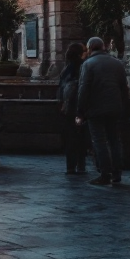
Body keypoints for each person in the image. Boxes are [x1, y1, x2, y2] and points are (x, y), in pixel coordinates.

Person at [77, 36, 130, 186]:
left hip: (96, 109)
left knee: (99, 141)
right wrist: (124, 107)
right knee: (114, 140)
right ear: (103, 47)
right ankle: (117, 173)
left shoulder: (88, 64)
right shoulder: (117, 64)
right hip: (115, 108)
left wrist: (80, 111)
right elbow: (123, 88)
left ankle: (105, 174)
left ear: (89, 48)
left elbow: (84, 89)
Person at [58, 42, 88, 175]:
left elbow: (60, 87)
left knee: (70, 137)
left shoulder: (66, 69)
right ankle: (81, 165)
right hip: (80, 107)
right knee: (81, 136)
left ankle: (70, 166)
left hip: (68, 108)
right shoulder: (84, 66)